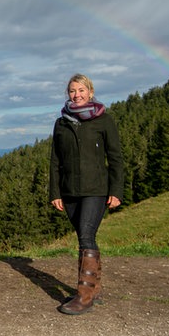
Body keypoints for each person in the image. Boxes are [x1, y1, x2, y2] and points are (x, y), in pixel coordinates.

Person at [49, 73, 124, 315]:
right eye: (72, 91)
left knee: (86, 236)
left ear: (90, 92)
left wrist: (116, 190)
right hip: (70, 190)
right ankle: (93, 289)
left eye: (81, 90)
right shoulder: (62, 123)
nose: (77, 94)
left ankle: (84, 296)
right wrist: (55, 192)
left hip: (96, 190)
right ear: (68, 94)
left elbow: (115, 158)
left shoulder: (104, 120)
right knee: (84, 235)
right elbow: (55, 161)